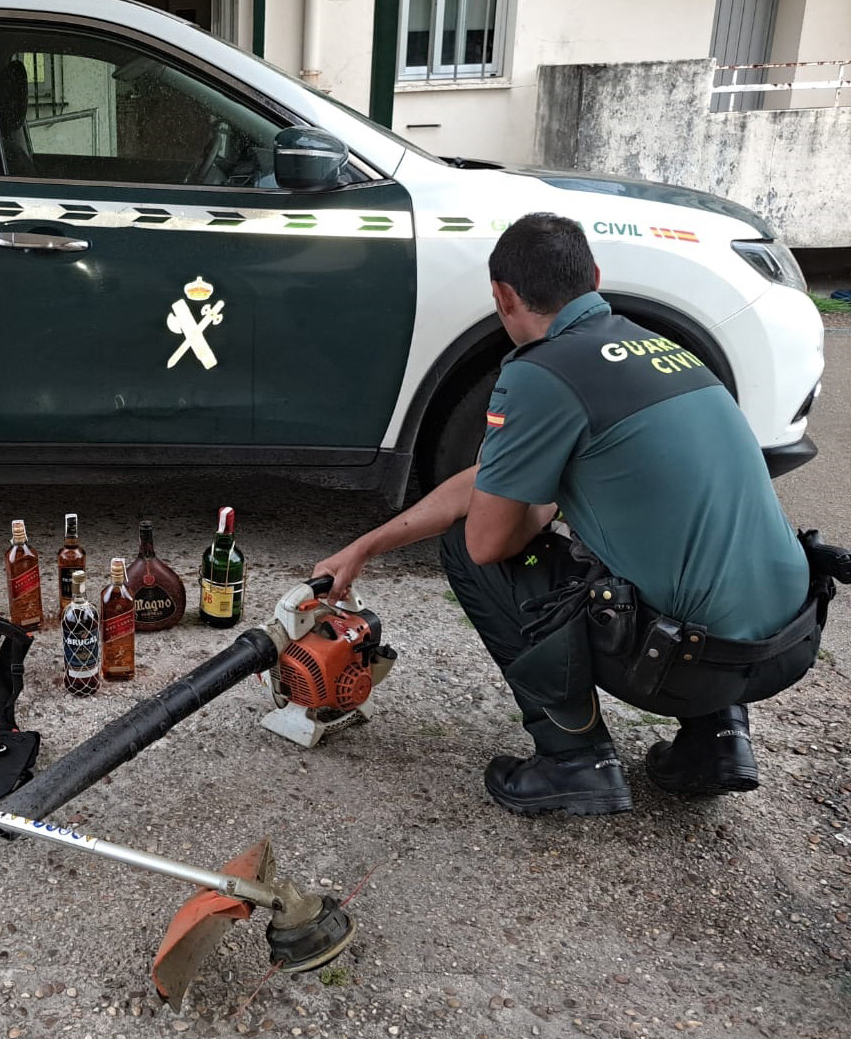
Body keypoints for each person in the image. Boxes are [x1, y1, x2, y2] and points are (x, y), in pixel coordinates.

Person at [312, 212, 828, 817]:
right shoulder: (666, 349)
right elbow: (489, 479)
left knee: (471, 555)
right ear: (595, 279)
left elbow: (487, 539)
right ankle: (716, 745)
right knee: (692, 548)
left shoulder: (539, 373)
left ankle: (574, 759)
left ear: (502, 297)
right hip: (788, 642)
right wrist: (366, 547)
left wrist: (544, 500)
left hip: (687, 664)